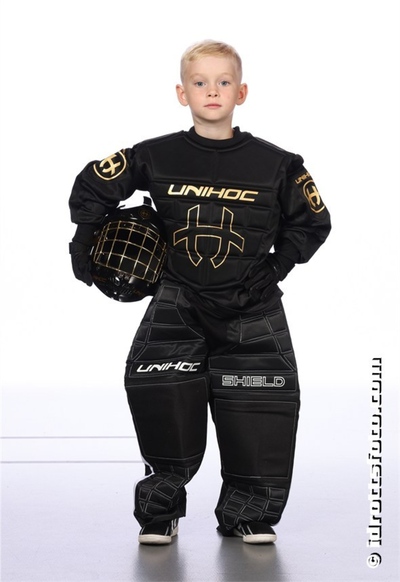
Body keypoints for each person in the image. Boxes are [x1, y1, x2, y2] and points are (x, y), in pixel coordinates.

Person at [69, 40, 331, 546]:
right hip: (178, 303)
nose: (212, 90)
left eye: (224, 81)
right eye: (200, 82)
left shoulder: (278, 164)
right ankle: (160, 512)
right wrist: (84, 239)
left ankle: (249, 513)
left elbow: (313, 221)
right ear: (181, 93)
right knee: (161, 404)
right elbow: (95, 185)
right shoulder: (154, 154)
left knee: (260, 412)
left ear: (241, 92)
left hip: (252, 308)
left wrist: (276, 266)